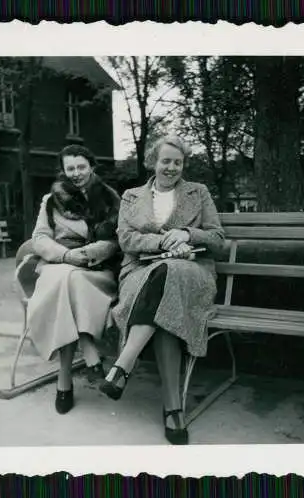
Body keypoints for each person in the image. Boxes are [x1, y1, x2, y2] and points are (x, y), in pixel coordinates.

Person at [99, 135, 225, 445]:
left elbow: (217, 238)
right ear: (153, 163)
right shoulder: (131, 197)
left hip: (192, 272)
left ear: (184, 165)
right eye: (165, 161)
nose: (171, 167)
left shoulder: (199, 193)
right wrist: (163, 242)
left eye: (177, 162)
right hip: (140, 272)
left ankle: (123, 365)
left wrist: (186, 233)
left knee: (170, 274)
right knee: (166, 298)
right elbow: (126, 240)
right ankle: (173, 409)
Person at [21, 144, 120, 415]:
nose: (76, 173)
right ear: (63, 171)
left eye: (81, 167)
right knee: (65, 278)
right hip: (58, 264)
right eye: (70, 168)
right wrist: (66, 256)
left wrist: (89, 252)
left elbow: (117, 240)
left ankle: (64, 381)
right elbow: (39, 238)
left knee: (70, 283)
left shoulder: (110, 198)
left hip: (95, 270)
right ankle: (89, 351)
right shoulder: (52, 200)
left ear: (91, 166)